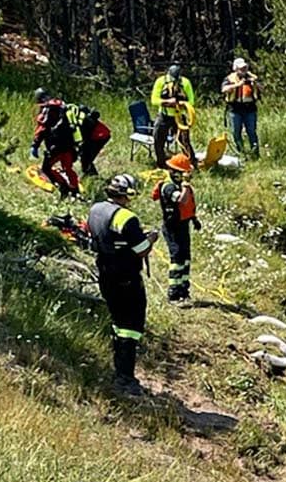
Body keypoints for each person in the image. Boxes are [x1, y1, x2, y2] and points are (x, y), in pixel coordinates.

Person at [87, 174, 158, 396]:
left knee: (118, 322)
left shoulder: (96, 209)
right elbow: (141, 249)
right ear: (128, 193)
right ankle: (125, 378)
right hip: (126, 277)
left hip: (105, 273)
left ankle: (119, 369)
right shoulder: (127, 217)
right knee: (131, 326)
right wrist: (151, 238)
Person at [154, 166, 201, 302]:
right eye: (183, 172)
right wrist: (186, 184)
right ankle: (173, 292)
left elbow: (188, 206)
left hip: (183, 225)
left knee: (185, 256)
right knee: (177, 257)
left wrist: (194, 219)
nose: (186, 175)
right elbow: (182, 200)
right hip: (172, 227)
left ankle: (183, 289)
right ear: (173, 172)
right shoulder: (169, 187)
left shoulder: (179, 184)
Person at [30, 88, 80, 197]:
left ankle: (64, 188)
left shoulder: (48, 109)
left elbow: (42, 128)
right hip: (69, 144)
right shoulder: (63, 106)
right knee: (68, 168)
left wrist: (35, 145)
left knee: (46, 168)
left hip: (56, 145)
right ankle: (75, 191)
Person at [150, 64, 196, 170]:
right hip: (164, 115)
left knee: (184, 141)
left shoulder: (185, 82)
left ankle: (190, 163)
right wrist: (167, 102)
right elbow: (154, 100)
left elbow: (191, 101)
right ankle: (161, 163)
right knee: (158, 139)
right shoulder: (160, 81)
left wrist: (180, 103)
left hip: (179, 116)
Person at [221, 57, 261, 157]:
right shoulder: (230, 78)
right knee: (236, 132)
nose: (244, 70)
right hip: (235, 109)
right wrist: (237, 85)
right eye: (241, 68)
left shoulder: (252, 78)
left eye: (245, 67)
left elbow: (263, 88)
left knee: (252, 132)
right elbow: (224, 89)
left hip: (250, 108)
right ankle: (241, 153)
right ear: (235, 69)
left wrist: (255, 83)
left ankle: (255, 153)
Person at [68, 103, 111, 178]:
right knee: (85, 156)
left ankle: (92, 176)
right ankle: (89, 174)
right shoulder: (79, 119)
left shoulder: (84, 121)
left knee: (86, 158)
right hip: (97, 135)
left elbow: (83, 136)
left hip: (100, 136)